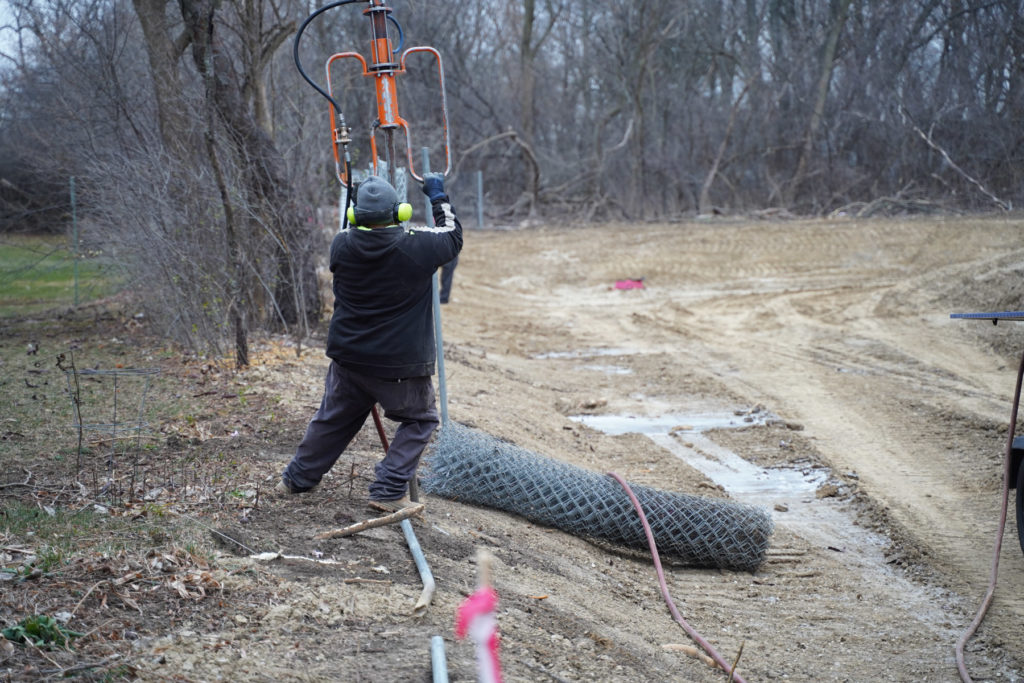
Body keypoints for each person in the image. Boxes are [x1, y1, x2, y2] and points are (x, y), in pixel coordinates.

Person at [274, 172, 462, 514]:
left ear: (355, 216)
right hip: (399, 366)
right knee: (420, 420)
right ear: (400, 213)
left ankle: (297, 479)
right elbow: (452, 236)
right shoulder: (419, 246)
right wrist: (437, 195)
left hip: (349, 359)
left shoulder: (341, 245)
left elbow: (360, 238)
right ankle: (388, 490)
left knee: (334, 419)